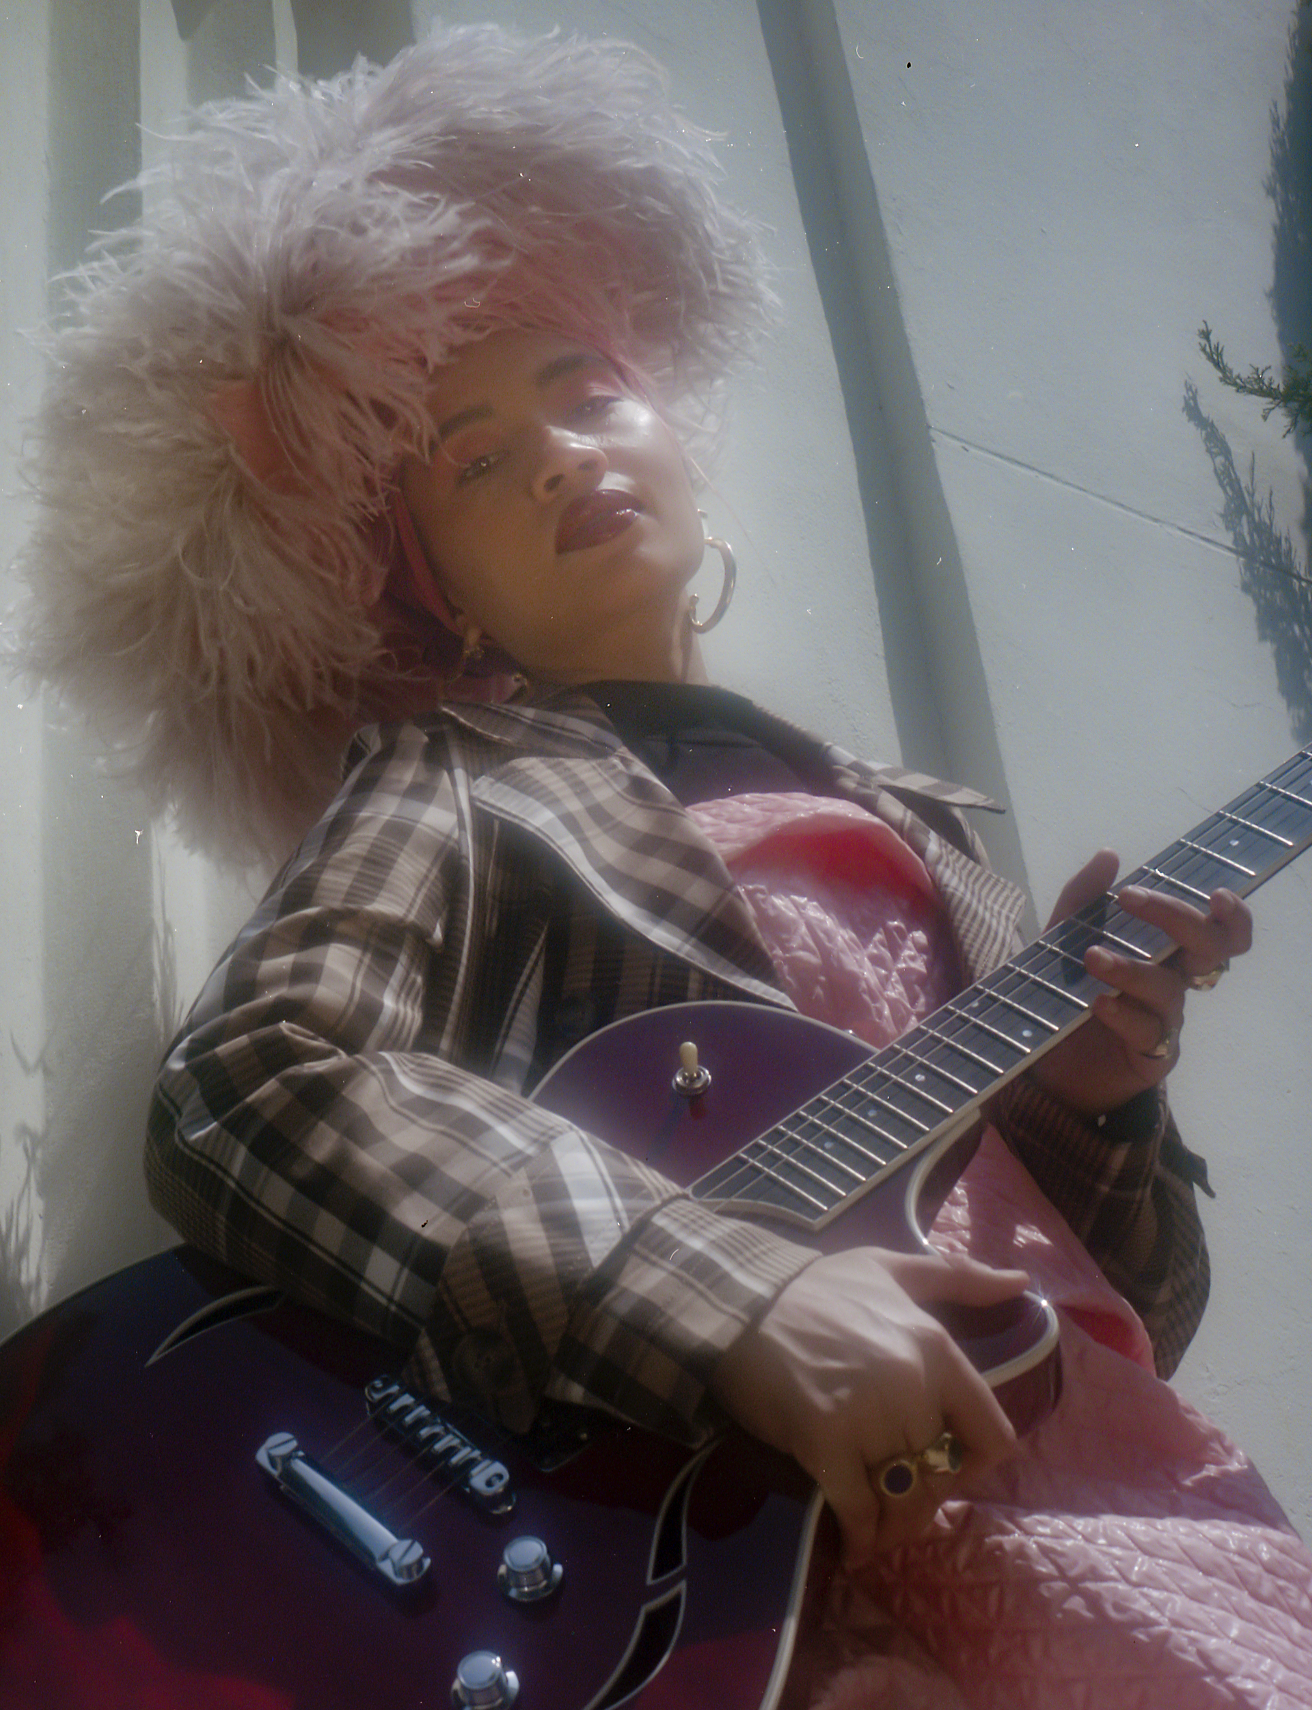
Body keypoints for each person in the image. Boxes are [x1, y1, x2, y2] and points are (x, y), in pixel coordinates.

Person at [17, 16, 1250, 1608]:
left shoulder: (934, 833)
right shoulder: (465, 771)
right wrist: (718, 1297)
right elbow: (255, 1080)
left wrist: (1097, 1110)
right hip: (708, 1573)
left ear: (676, 440)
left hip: (1121, 1516)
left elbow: (1137, 1311)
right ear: (441, 597)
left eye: (586, 394)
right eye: (474, 463)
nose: (554, 459)